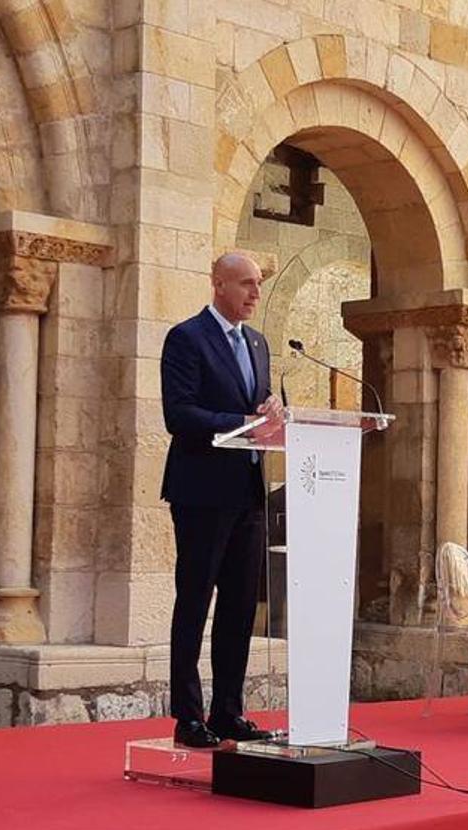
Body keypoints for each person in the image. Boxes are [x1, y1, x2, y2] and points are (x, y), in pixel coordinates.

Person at [160, 252, 285, 748]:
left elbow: (256, 406)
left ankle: (228, 712)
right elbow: (180, 413)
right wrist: (243, 424)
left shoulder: (257, 343)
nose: (256, 294)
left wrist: (273, 410)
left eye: (257, 285)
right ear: (218, 285)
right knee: (194, 603)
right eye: (247, 284)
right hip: (202, 492)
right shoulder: (187, 338)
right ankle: (188, 718)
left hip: (248, 492)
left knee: (237, 608)